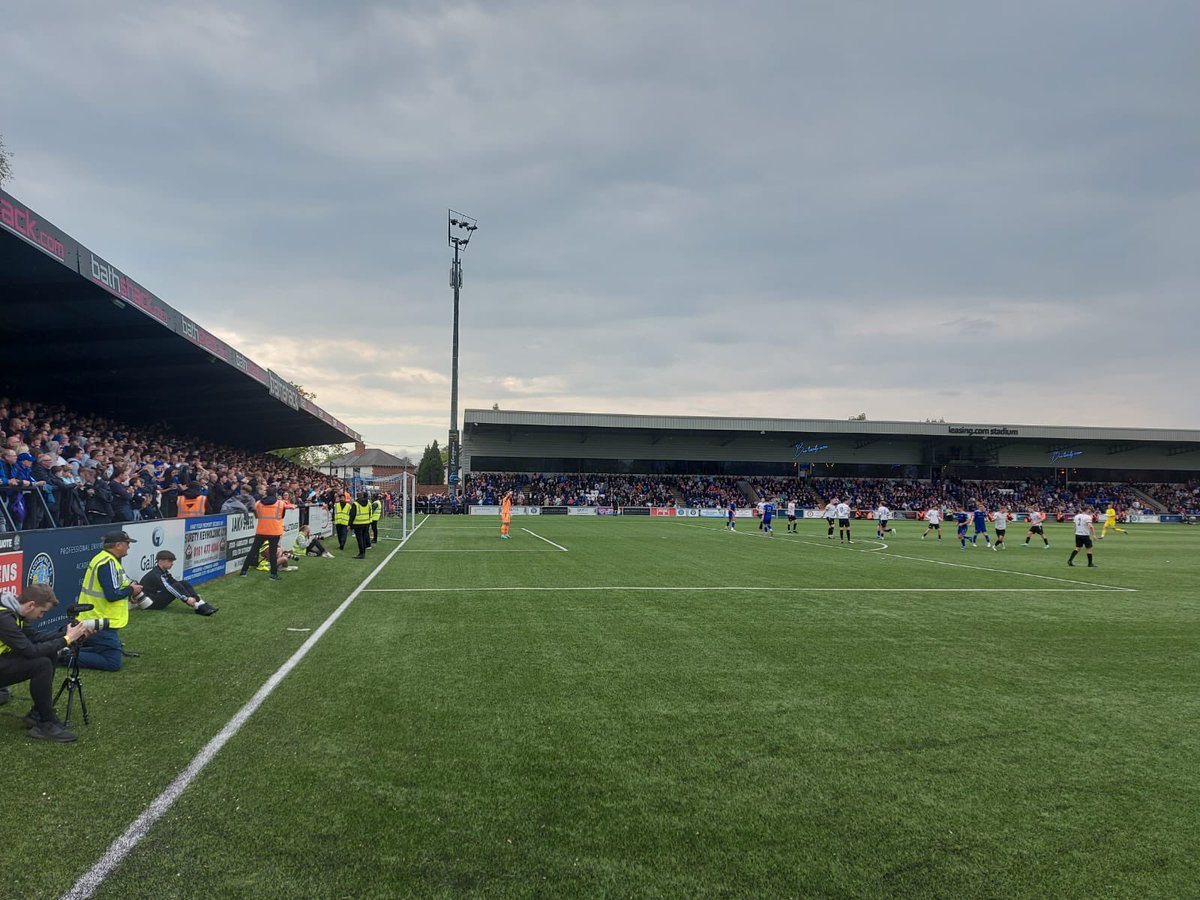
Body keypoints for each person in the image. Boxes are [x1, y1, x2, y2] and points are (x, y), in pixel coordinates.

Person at [0, 584, 91, 741]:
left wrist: (69, 633)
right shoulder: (4, 619)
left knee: (48, 655)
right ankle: (46, 723)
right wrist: (67, 639)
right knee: (41, 665)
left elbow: (36, 637)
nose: (41, 616)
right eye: (42, 612)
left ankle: (38, 713)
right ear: (31, 605)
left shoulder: (13, 610)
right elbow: (31, 651)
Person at [75, 530, 144, 671]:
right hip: (100, 621)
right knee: (112, 663)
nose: (128, 547)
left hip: (97, 618)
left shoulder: (105, 559)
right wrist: (131, 590)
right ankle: (65, 655)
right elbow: (112, 595)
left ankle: (69, 651)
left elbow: (117, 587)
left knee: (110, 651)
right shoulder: (108, 562)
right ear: (118, 545)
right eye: (127, 544)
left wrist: (129, 592)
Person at [137, 551, 218, 615]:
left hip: (154, 598)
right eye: (169, 561)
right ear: (161, 561)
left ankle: (201, 604)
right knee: (174, 587)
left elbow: (175, 582)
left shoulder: (163, 572)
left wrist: (194, 596)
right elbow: (169, 588)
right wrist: (186, 599)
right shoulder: (156, 574)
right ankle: (198, 607)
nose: (172, 563)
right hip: (149, 603)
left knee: (183, 582)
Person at [239, 486, 287, 580]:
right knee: (273, 553)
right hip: (275, 531)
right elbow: (282, 515)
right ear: (275, 494)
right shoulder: (281, 504)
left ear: (266, 493)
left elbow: (254, 512)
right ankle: (273, 574)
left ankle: (243, 571)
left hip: (261, 530)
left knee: (253, 551)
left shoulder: (259, 503)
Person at [349, 492, 373, 558]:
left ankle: (361, 553)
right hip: (366, 523)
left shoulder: (355, 504)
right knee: (364, 538)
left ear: (357, 496)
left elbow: (352, 515)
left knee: (360, 539)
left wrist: (350, 525)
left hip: (358, 524)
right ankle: (363, 552)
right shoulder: (368, 503)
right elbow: (370, 512)